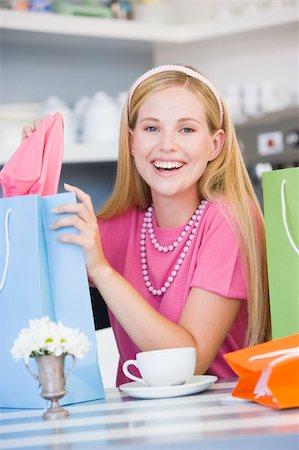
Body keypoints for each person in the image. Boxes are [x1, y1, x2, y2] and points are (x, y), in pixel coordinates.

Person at [23, 64, 271, 386]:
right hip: (134, 422)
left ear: (215, 144)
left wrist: (102, 271)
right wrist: (31, 186)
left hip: (220, 417)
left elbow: (189, 363)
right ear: (131, 142)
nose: (167, 145)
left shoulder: (229, 219)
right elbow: (32, 286)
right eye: (152, 129)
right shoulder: (113, 228)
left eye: (187, 130)